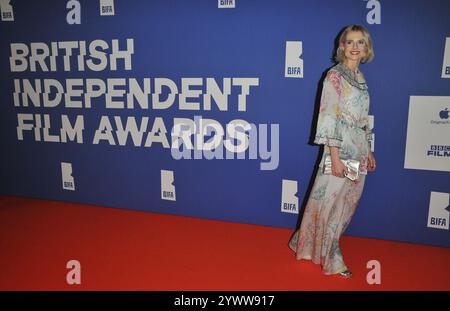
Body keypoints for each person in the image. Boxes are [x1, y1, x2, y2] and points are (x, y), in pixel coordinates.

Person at [288, 25, 376, 278]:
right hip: (340, 149)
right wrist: (334, 156)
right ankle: (331, 257)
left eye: (360, 42)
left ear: (366, 47)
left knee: (345, 204)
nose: (355, 47)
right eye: (350, 42)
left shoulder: (359, 77)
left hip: (357, 148)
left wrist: (368, 149)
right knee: (329, 202)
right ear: (342, 46)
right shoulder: (334, 76)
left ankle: (306, 243)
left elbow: (362, 118)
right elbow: (328, 117)